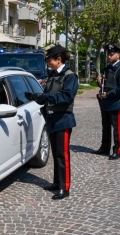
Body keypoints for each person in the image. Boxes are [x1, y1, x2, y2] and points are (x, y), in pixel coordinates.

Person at [24, 45, 78, 200]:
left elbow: (66, 97)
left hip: (63, 119)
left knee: (63, 155)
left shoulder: (70, 77)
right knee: (55, 154)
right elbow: (48, 94)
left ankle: (64, 187)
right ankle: (57, 182)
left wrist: (45, 98)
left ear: (59, 59)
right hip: (52, 118)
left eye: (50, 60)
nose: (48, 63)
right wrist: (35, 97)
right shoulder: (53, 75)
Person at [92, 43, 120, 160]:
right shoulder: (107, 68)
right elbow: (106, 84)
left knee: (117, 128)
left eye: (111, 54)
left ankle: (117, 150)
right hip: (105, 101)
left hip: (115, 102)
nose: (109, 56)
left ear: (118, 55)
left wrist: (108, 94)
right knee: (105, 126)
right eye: (108, 54)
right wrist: (99, 82)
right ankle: (105, 147)